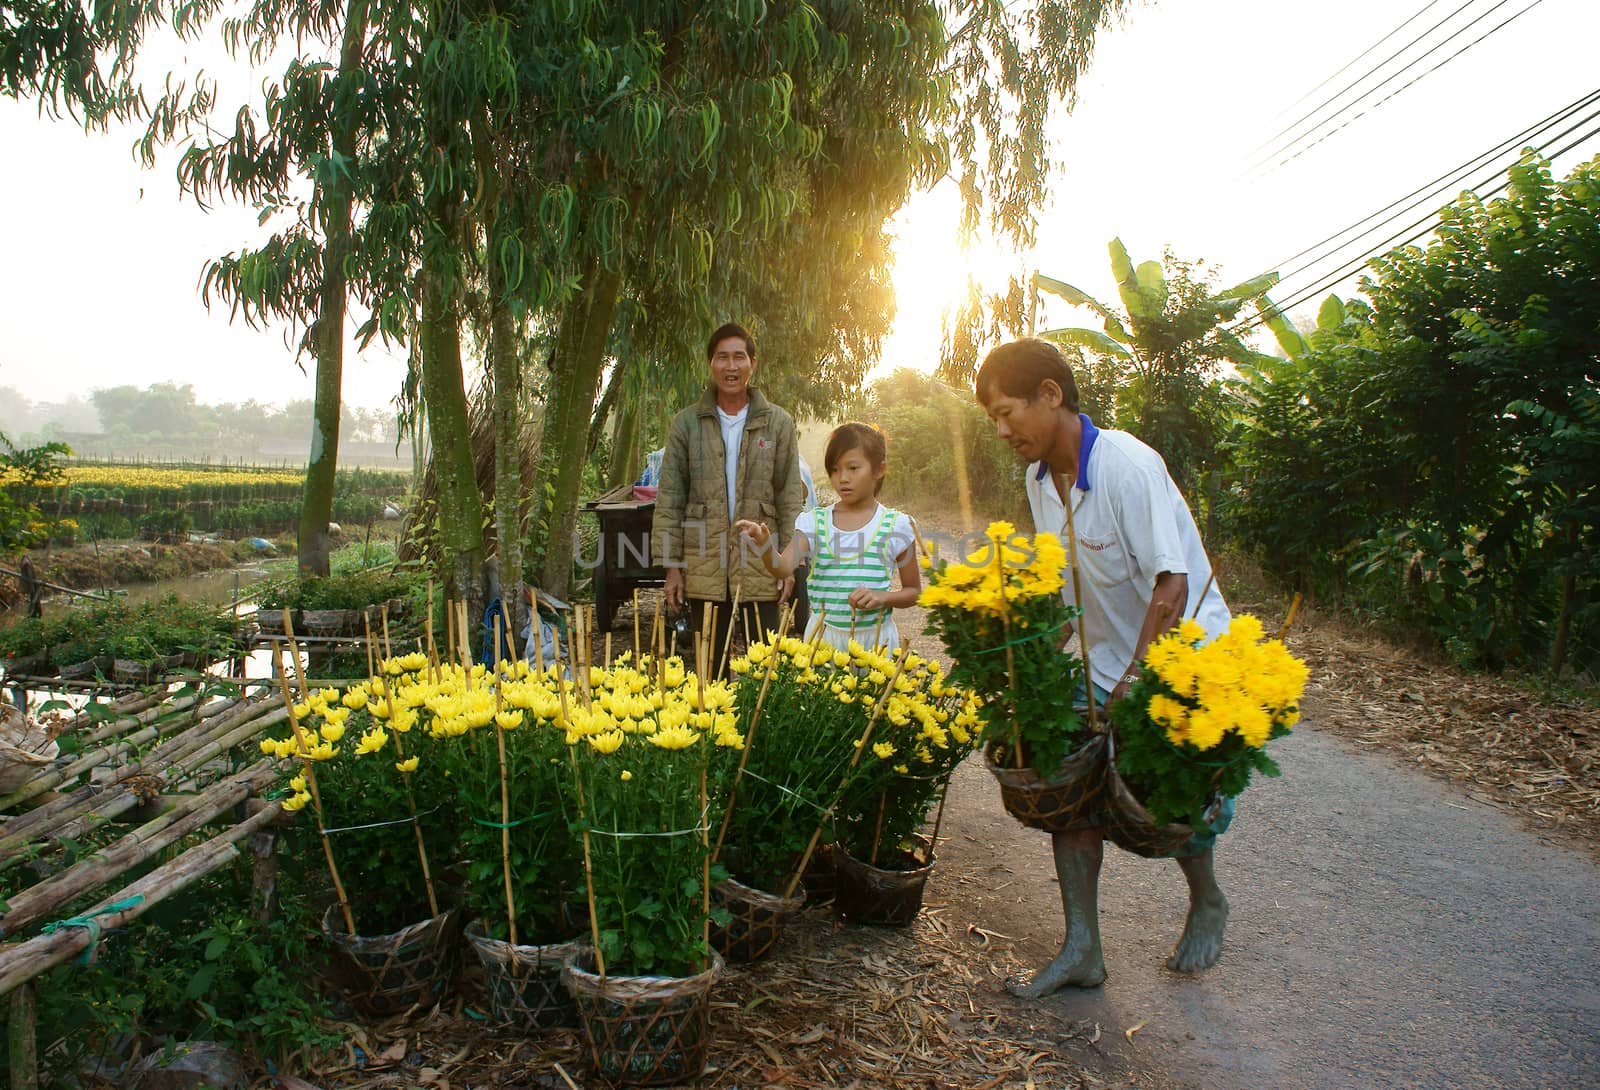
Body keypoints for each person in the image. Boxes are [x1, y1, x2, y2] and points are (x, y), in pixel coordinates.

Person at [975, 337, 1233, 996]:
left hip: (1182, 649)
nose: (1002, 431)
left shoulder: (1125, 465)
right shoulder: (1039, 481)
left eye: (1008, 413)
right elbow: (1064, 594)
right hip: (1109, 652)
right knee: (1064, 774)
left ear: (1051, 396)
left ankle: (1206, 899)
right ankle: (1083, 948)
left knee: (1163, 795)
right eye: (992, 421)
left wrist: (1135, 680)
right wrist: (1026, 670)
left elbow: (1170, 590)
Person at [653, 322, 805, 673]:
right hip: (704, 561)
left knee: (763, 667)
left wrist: (787, 563)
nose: (731, 366)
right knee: (709, 670)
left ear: (753, 363)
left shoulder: (778, 423)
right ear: (711, 364)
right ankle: (711, 727)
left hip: (762, 563)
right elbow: (670, 498)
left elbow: (789, 498)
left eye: (739, 357)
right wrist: (672, 567)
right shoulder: (686, 424)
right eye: (722, 357)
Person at [734, 422, 920, 651]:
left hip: (875, 642)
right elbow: (783, 568)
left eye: (853, 468)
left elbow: (914, 591)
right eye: (834, 469)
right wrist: (765, 546)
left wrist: (882, 597)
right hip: (823, 641)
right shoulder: (815, 522)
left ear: (880, 469)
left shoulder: (897, 526)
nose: (842, 478)